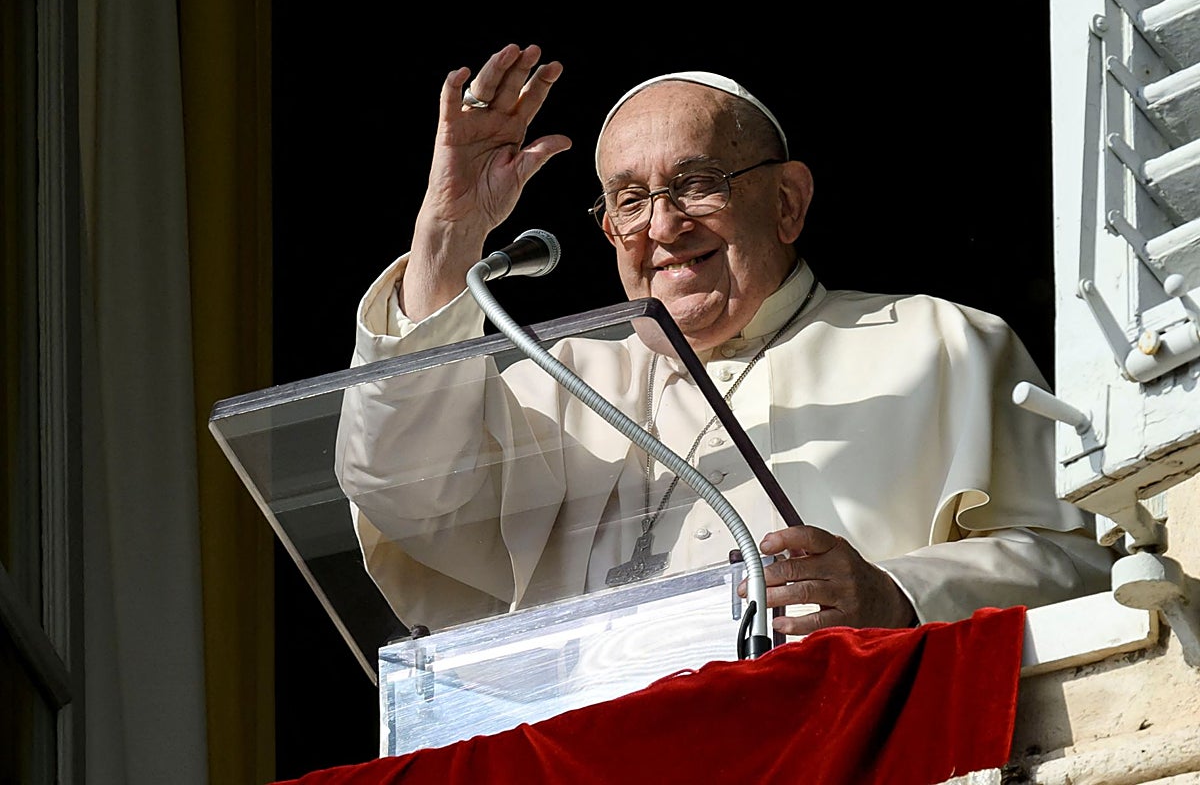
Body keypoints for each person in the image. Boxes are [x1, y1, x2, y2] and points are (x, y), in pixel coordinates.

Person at [334, 43, 1115, 637]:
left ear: (787, 202)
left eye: (697, 184)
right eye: (629, 201)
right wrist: (448, 237)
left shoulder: (942, 344)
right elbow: (402, 490)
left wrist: (895, 595)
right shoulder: (559, 379)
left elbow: (1081, 564)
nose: (664, 226)